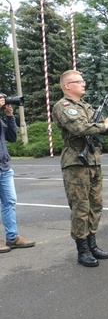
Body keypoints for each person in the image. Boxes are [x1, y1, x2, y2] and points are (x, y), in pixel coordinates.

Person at [52, 70, 108, 267]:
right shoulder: (63, 106)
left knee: (96, 205)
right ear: (67, 86)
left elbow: (100, 130)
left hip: (93, 160)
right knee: (80, 208)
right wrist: (104, 125)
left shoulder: (86, 106)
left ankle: (92, 243)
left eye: (83, 80)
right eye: (79, 82)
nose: (84, 84)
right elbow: (79, 129)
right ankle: (83, 249)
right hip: (76, 163)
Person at [0, 101, 35, 253]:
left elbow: (12, 137)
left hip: (4, 167)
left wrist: (9, 117)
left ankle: (12, 238)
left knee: (9, 203)